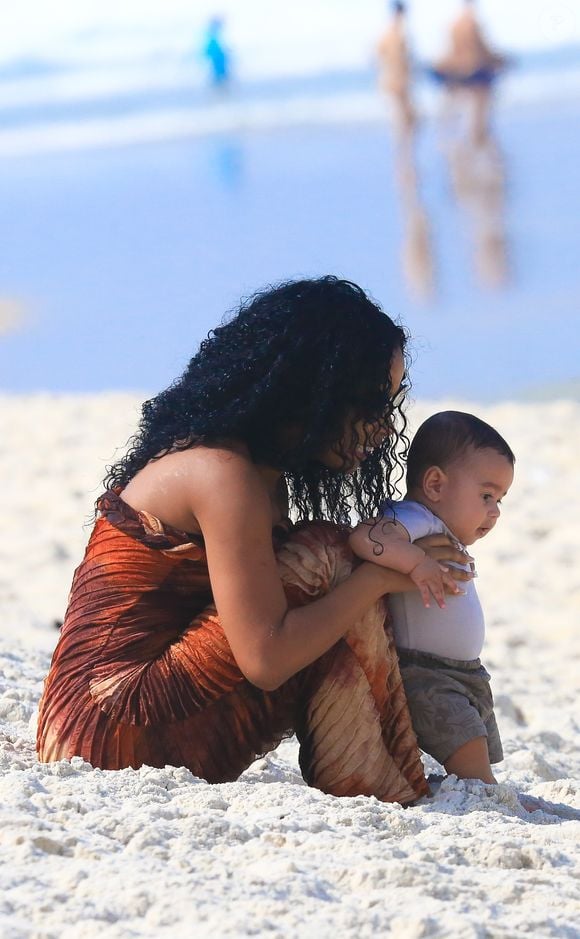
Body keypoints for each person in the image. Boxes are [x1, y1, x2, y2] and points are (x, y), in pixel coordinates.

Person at [36, 277, 471, 805]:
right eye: (372, 402)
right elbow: (264, 658)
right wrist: (380, 575)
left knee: (343, 574)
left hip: (122, 723)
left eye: (391, 403)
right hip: (109, 730)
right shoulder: (222, 475)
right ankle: (380, 779)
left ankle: (391, 773)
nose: (383, 428)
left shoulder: (257, 474)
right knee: (333, 557)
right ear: (313, 391)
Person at [350, 410, 515, 785]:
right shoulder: (417, 517)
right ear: (436, 484)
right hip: (425, 670)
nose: (494, 511)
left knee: (476, 735)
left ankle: (481, 781)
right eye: (487, 495)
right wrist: (415, 562)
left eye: (501, 500)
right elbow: (366, 537)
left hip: (465, 670)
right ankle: (484, 789)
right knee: (464, 737)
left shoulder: (442, 528)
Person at [377, 1, 416, 135]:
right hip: (397, 83)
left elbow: (379, 56)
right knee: (404, 122)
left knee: (405, 121)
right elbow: (400, 60)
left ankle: (404, 155)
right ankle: (404, 155)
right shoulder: (397, 34)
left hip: (391, 82)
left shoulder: (388, 33)